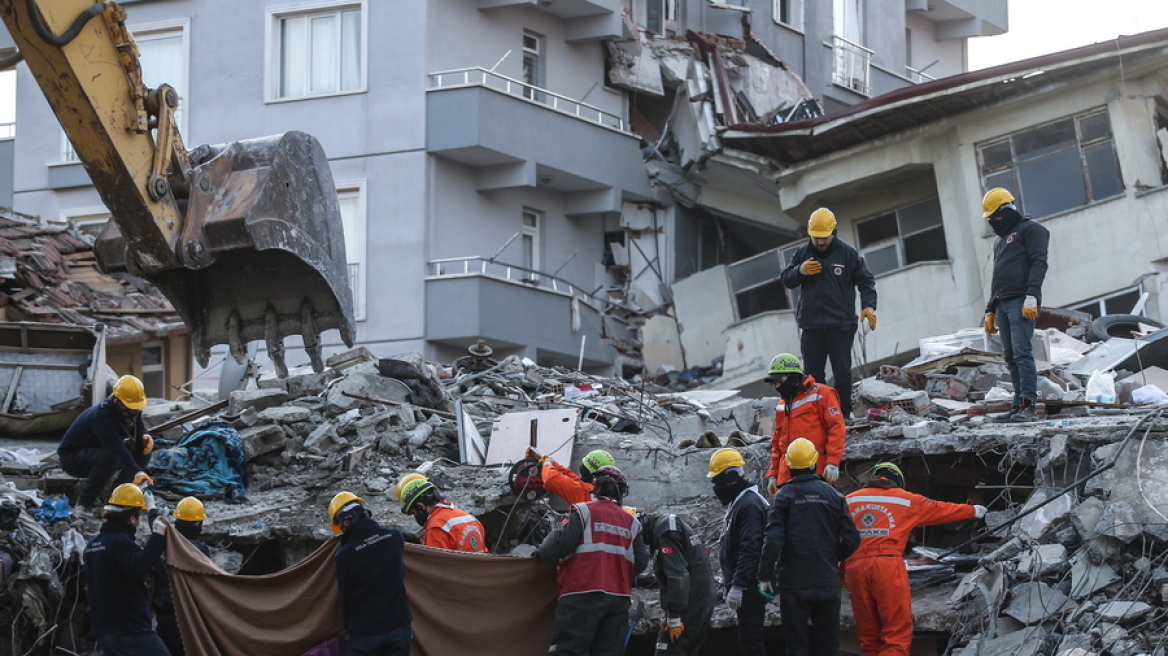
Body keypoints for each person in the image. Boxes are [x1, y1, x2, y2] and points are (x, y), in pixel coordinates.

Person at [844, 463, 986, 656]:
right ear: (898, 482)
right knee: (896, 633)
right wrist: (974, 511)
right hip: (887, 565)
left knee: (869, 636)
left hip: (855, 568)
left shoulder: (848, 501)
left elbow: (831, 536)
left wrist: (841, 574)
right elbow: (940, 509)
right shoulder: (905, 500)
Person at [757, 439, 860, 656]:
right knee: (829, 647)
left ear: (789, 466)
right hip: (826, 580)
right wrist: (832, 557)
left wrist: (765, 575)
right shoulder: (833, 496)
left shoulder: (782, 497)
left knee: (796, 647)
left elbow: (774, 539)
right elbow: (852, 538)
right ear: (815, 463)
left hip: (794, 583)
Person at [537, 466, 649, 656]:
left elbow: (554, 548)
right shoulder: (632, 522)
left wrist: (540, 552)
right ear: (621, 491)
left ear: (594, 487)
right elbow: (642, 562)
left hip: (581, 594)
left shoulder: (582, 511)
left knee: (569, 651)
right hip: (618, 599)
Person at [781, 207, 878, 420]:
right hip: (811, 325)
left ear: (834, 232)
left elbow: (866, 280)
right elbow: (787, 279)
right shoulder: (802, 254)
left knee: (842, 371)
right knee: (813, 375)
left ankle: (844, 414)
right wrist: (800, 271)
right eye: (816, 238)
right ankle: (818, 415)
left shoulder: (848, 254)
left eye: (824, 238)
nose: (820, 242)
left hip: (841, 324)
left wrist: (868, 306)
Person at [981, 188, 1050, 423]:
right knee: (1010, 356)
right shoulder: (1000, 243)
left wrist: (1032, 295)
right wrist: (990, 309)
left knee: (1022, 353)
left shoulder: (1032, 230)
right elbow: (997, 277)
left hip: (1022, 300)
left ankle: (1028, 406)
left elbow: (1039, 263)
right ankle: (1017, 406)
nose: (992, 223)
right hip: (1002, 302)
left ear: (1006, 210)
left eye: (994, 217)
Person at [83, 483, 169, 655]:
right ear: (131, 519)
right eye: (138, 516)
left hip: (104, 630)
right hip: (130, 628)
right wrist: (158, 538)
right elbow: (138, 566)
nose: (138, 522)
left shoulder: (93, 546)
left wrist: (152, 510)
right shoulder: (120, 542)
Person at [330, 491, 412, 656]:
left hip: (365, 633)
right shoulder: (394, 537)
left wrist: (349, 630)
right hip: (399, 626)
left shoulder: (345, 555)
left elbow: (345, 596)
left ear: (345, 521)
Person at [59, 375, 154, 512]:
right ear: (118, 401)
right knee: (110, 458)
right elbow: (116, 448)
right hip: (73, 458)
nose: (134, 410)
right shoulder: (102, 417)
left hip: (98, 450)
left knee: (142, 449)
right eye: (130, 407)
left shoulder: (131, 411)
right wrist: (137, 472)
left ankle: (117, 497)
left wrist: (144, 435)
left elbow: (139, 427)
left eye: (136, 407)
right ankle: (85, 503)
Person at [707, 448, 768, 656]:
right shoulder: (740, 501)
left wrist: (739, 585)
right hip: (745, 584)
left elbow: (750, 548)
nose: (716, 487)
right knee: (747, 640)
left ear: (731, 479)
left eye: (718, 481)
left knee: (752, 643)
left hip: (750, 587)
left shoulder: (749, 504)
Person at [763, 353, 846, 495]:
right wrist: (773, 474)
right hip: (786, 477)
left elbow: (836, 428)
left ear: (793, 376)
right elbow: (777, 442)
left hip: (816, 472)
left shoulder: (823, 394)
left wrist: (832, 462)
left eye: (780, 381)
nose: (777, 386)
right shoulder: (782, 405)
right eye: (774, 383)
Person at [640, 512, 715, 656]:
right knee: (686, 649)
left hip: (691, 596)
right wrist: (669, 614)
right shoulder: (669, 524)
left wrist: (674, 617)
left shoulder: (666, 530)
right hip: (698, 595)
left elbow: (677, 575)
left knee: (668, 649)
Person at [151, 497, 211, 656]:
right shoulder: (200, 551)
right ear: (198, 525)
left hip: (164, 614)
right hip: (188, 616)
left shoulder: (160, 547)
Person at [398, 476, 489, 552]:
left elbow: (436, 568)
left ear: (421, 506)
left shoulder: (436, 528)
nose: (416, 516)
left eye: (414, 513)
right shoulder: (470, 518)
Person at [524, 447, 616, 505]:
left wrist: (546, 464)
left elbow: (550, 479)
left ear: (589, 473)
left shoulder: (586, 491)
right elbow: (572, 478)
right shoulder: (598, 490)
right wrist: (551, 462)